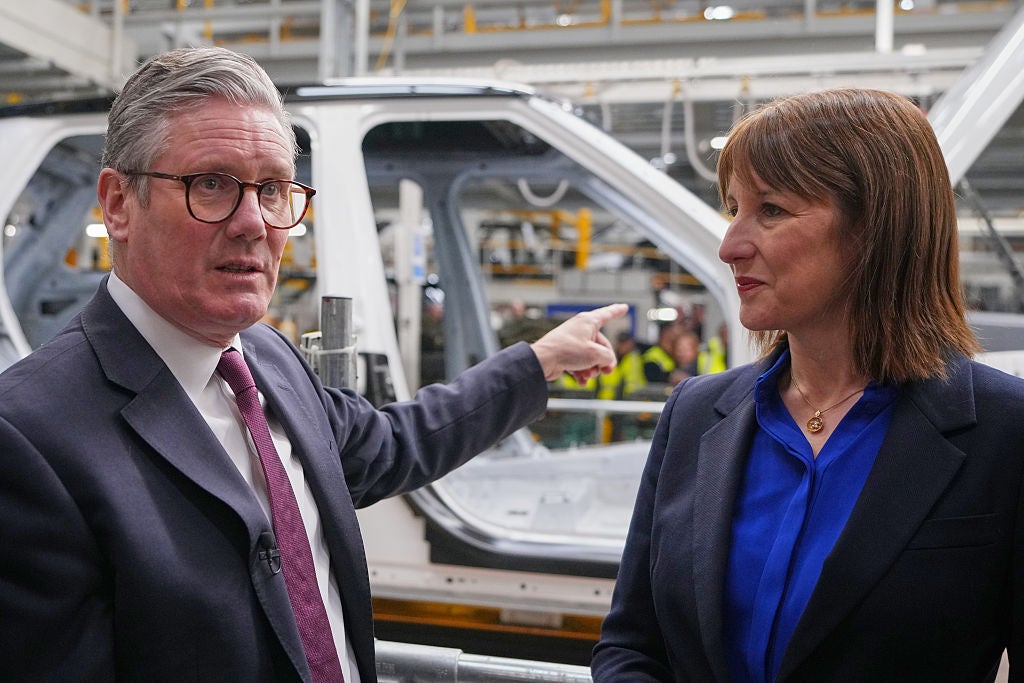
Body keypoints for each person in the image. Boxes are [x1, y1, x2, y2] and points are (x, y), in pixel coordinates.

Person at [0, 47, 626, 682]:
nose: (253, 224)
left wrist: (537, 362)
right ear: (118, 204)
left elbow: (388, 444)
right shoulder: (28, 438)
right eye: (210, 184)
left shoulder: (266, 359)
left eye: (273, 189)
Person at [591, 88, 1024, 682]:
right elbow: (632, 645)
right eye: (734, 208)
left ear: (877, 228)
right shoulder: (695, 414)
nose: (729, 246)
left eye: (771, 210)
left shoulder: (1004, 433)